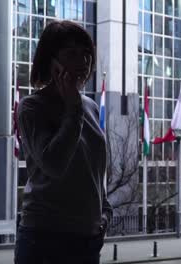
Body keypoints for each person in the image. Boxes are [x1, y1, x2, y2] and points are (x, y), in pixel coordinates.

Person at [15, 20, 112, 264]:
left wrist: (104, 215)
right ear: (52, 62)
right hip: (45, 239)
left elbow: (94, 169)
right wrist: (71, 108)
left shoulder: (88, 106)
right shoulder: (32, 107)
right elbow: (55, 164)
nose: (83, 62)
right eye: (71, 54)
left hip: (87, 241)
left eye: (86, 54)